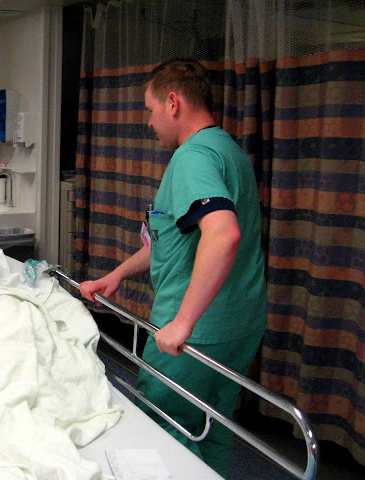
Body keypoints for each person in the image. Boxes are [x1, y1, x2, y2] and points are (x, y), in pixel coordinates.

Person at [80, 58, 267, 478]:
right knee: (211, 429)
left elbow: (223, 234)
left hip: (195, 335)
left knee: (161, 433)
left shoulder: (192, 158)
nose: (149, 122)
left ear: (173, 102)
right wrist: (117, 274)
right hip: (239, 325)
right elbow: (174, 240)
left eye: (150, 110)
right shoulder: (227, 151)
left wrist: (183, 321)